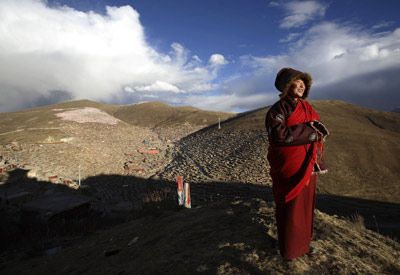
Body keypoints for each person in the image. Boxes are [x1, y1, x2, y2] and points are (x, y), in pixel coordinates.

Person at [265, 67, 329, 260]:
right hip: (290, 167)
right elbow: (278, 136)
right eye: (297, 81)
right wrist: (310, 132)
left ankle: (303, 245)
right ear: (286, 84)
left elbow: (318, 130)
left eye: (304, 83)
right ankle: (290, 251)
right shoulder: (277, 110)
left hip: (307, 165)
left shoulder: (307, 108)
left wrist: (315, 134)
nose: (301, 85)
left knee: (305, 208)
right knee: (291, 209)